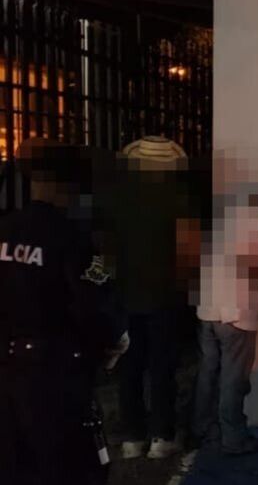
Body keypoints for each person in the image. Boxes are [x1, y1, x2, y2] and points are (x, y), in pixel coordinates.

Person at [0, 140, 128, 485]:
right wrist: (114, 340)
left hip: (7, 371)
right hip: (56, 375)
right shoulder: (73, 239)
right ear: (69, 186)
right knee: (68, 468)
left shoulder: (5, 230)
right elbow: (94, 306)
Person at [112, 137, 198, 459]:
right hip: (165, 298)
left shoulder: (121, 203)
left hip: (126, 297)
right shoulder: (180, 202)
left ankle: (133, 436)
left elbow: (105, 253)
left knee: (129, 369)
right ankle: (162, 435)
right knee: (162, 368)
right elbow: (190, 255)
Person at [192, 185, 258, 455]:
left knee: (208, 374)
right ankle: (233, 438)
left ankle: (204, 430)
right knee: (232, 380)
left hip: (208, 310)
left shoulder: (215, 222)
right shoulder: (253, 227)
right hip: (236, 313)